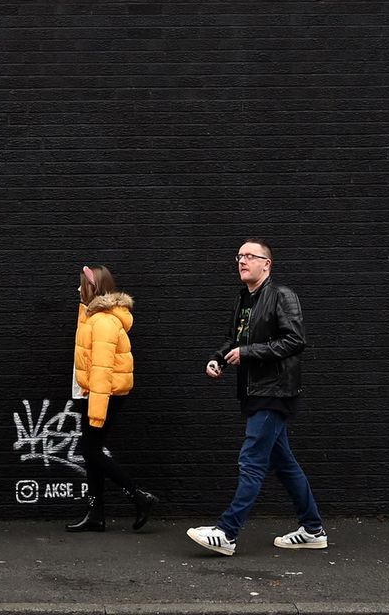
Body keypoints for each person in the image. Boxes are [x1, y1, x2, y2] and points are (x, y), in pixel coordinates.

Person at [186, 238, 328, 555]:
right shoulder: (244, 299)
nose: (242, 260)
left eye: (250, 256)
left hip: (274, 391)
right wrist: (218, 358)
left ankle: (227, 532)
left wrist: (247, 352)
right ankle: (313, 529)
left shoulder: (282, 295)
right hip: (254, 392)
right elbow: (233, 339)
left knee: (251, 461)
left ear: (267, 264)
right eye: (239, 256)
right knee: (285, 463)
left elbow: (295, 340)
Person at [66, 264, 159, 532]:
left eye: (82, 284)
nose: (78, 288)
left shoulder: (104, 321)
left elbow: (103, 369)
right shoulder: (92, 316)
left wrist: (96, 410)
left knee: (90, 450)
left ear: (93, 288)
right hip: (93, 393)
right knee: (92, 452)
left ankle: (139, 496)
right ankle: (95, 514)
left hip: (102, 394)